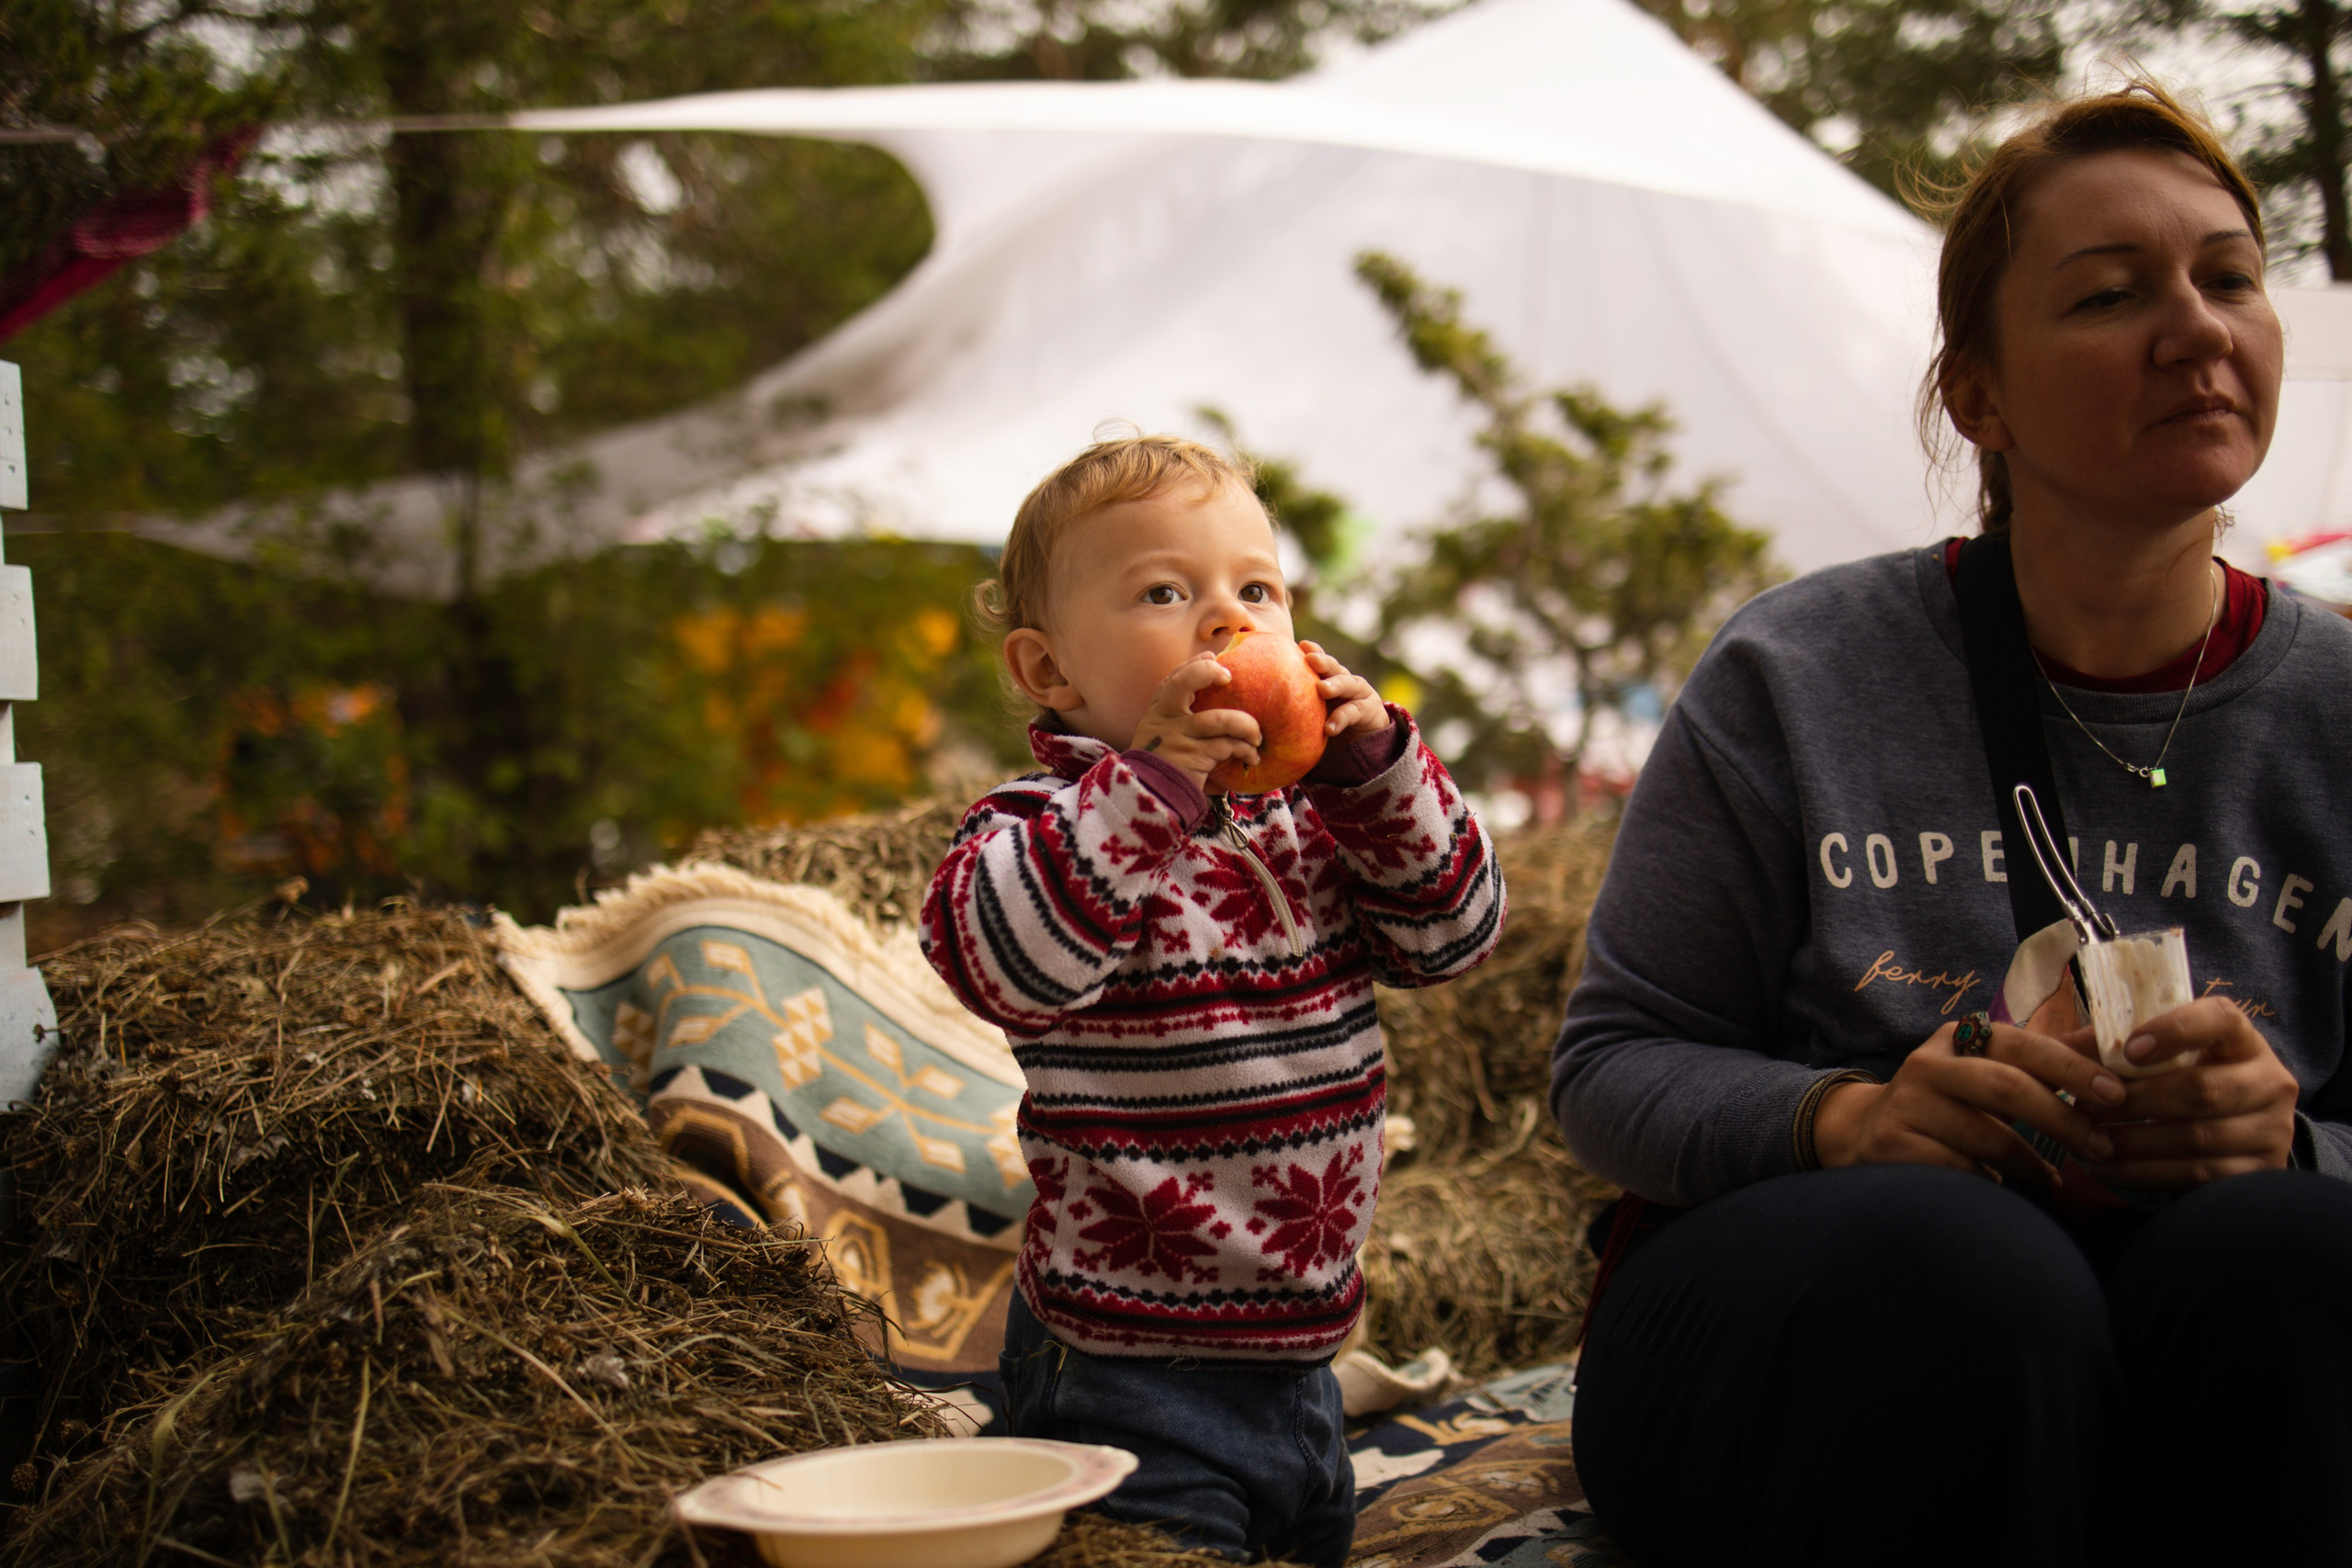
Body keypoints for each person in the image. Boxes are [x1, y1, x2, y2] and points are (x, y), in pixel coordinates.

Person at [1551, 82, 2352, 1568]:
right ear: (1977, 396)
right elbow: (1606, 1070)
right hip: (1828, 1312)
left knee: (2295, 1255)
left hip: (2205, 1328)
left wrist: (2291, 1140)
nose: (2196, 327)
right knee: (1968, 1267)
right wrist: (1847, 1118)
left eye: (2229, 275)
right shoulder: (1801, 674)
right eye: (2112, 295)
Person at [921, 432, 1504, 1566]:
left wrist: (1378, 768)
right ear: (1049, 673)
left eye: (1257, 591)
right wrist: (1153, 791)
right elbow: (1006, 964)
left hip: (1305, 1361)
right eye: (1163, 591)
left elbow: (1454, 935)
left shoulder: (1312, 820)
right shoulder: (1043, 825)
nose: (1228, 624)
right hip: (1125, 1372)